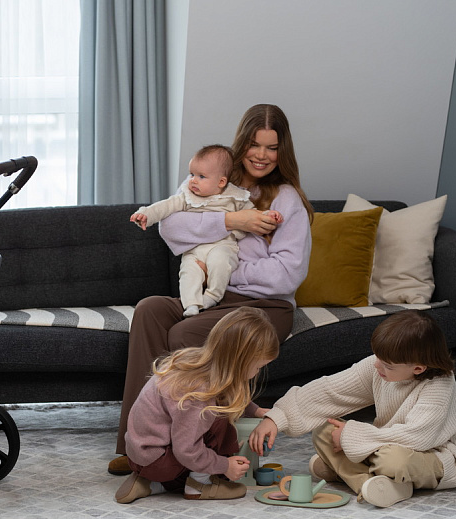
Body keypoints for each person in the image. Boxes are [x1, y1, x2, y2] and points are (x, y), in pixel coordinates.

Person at [109, 103, 315, 475]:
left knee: (184, 332)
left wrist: (222, 271)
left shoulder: (287, 200)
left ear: (282, 151)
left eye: (272, 147)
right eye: (255, 144)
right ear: (242, 142)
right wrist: (233, 220)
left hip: (265, 306)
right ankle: (137, 445)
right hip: (211, 297)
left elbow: (286, 275)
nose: (262, 155)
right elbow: (170, 227)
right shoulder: (209, 175)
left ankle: (192, 449)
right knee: (150, 309)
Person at [248, 310, 456, 508]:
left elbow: (416, 437)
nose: (377, 365)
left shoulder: (439, 387)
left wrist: (350, 435)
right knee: (324, 430)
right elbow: (329, 390)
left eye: (387, 365)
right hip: (384, 441)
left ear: (418, 369)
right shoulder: (380, 366)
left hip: (431, 454)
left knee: (393, 461)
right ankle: (378, 485)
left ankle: (346, 472)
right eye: (377, 358)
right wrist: (276, 417)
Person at [114, 307, 280, 503]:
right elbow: (187, 451)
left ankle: (151, 483)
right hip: (158, 462)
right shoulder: (198, 392)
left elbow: (226, 393)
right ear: (239, 362)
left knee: (214, 416)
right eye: (258, 366)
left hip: (142, 456)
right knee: (220, 419)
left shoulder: (197, 362)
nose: (258, 372)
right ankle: (199, 485)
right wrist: (224, 465)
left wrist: (255, 410)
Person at [130, 144, 283, 317]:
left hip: (223, 245)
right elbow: (165, 206)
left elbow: (252, 215)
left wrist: (269, 215)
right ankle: (191, 304)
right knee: (188, 272)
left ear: (221, 182)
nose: (193, 180)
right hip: (194, 249)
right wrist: (146, 214)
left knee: (220, 263)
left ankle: (212, 296)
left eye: (201, 176)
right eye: (192, 174)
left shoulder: (235, 197)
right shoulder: (187, 196)